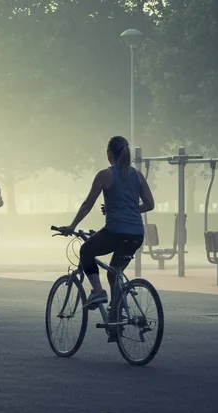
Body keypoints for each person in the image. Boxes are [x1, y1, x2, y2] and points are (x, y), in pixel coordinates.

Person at [58, 136, 154, 341]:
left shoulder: (104, 175)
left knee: (86, 251)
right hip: (136, 235)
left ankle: (98, 292)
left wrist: (72, 226)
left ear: (110, 154)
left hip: (115, 232)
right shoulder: (137, 175)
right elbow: (150, 204)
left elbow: (87, 204)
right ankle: (116, 319)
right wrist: (129, 209)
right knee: (115, 273)